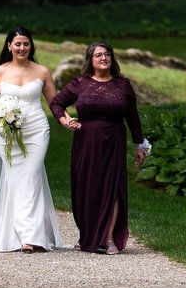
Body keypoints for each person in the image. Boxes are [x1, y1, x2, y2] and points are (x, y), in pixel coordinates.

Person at [0, 27, 63, 253]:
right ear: (9, 46)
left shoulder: (42, 72)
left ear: (31, 46)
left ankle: (30, 236)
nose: (22, 48)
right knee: (16, 179)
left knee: (31, 175)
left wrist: (66, 119)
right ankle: (20, 234)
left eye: (26, 44)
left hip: (37, 130)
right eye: (17, 44)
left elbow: (54, 103)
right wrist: (0, 119)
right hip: (7, 133)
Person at [52, 41, 149, 254]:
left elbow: (132, 116)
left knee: (111, 187)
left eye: (107, 54)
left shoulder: (123, 84)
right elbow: (56, 103)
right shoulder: (80, 83)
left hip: (114, 140)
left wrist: (140, 144)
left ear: (112, 59)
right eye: (98, 55)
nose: (103, 58)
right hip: (85, 142)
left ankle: (108, 238)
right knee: (86, 188)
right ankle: (87, 236)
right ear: (90, 60)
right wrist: (65, 120)